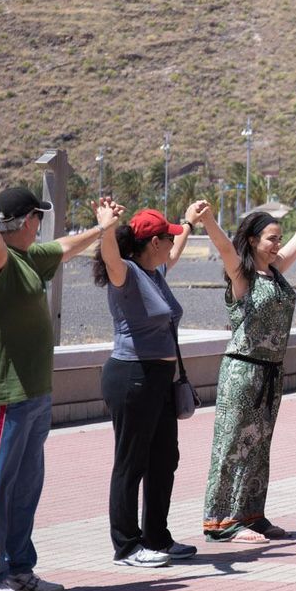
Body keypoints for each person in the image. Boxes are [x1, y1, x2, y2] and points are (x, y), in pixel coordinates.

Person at [0, 187, 108, 591]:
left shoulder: (31, 258)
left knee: (26, 486)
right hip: (3, 392)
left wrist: (103, 229)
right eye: (37, 218)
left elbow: (66, 247)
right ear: (26, 220)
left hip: (35, 392)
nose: (41, 226)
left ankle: (20, 569)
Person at [200, 163, 296, 543]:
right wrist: (209, 221)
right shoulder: (242, 274)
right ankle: (221, 522)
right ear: (251, 240)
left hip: (270, 373)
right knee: (232, 444)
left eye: (277, 238)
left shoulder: (277, 271)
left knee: (260, 446)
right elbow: (222, 246)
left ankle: (252, 513)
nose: (277, 244)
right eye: (269, 238)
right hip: (242, 372)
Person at [94, 201, 207, 567]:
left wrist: (188, 222)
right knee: (130, 462)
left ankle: (156, 536)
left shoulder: (155, 271)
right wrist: (105, 228)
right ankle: (126, 546)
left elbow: (177, 245)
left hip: (159, 379)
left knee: (164, 458)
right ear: (153, 243)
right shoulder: (125, 272)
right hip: (131, 376)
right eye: (167, 238)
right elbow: (110, 256)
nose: (171, 243)